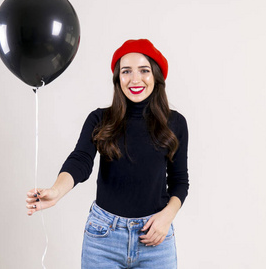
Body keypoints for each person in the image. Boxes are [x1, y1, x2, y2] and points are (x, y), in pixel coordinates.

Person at [26, 39, 189, 268]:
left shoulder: (176, 123)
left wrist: (167, 216)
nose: (135, 79)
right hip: (103, 238)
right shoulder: (100, 119)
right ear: (117, 78)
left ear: (156, 76)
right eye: (126, 71)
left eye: (144, 70)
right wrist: (56, 191)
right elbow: (80, 160)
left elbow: (180, 181)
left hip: (155, 237)